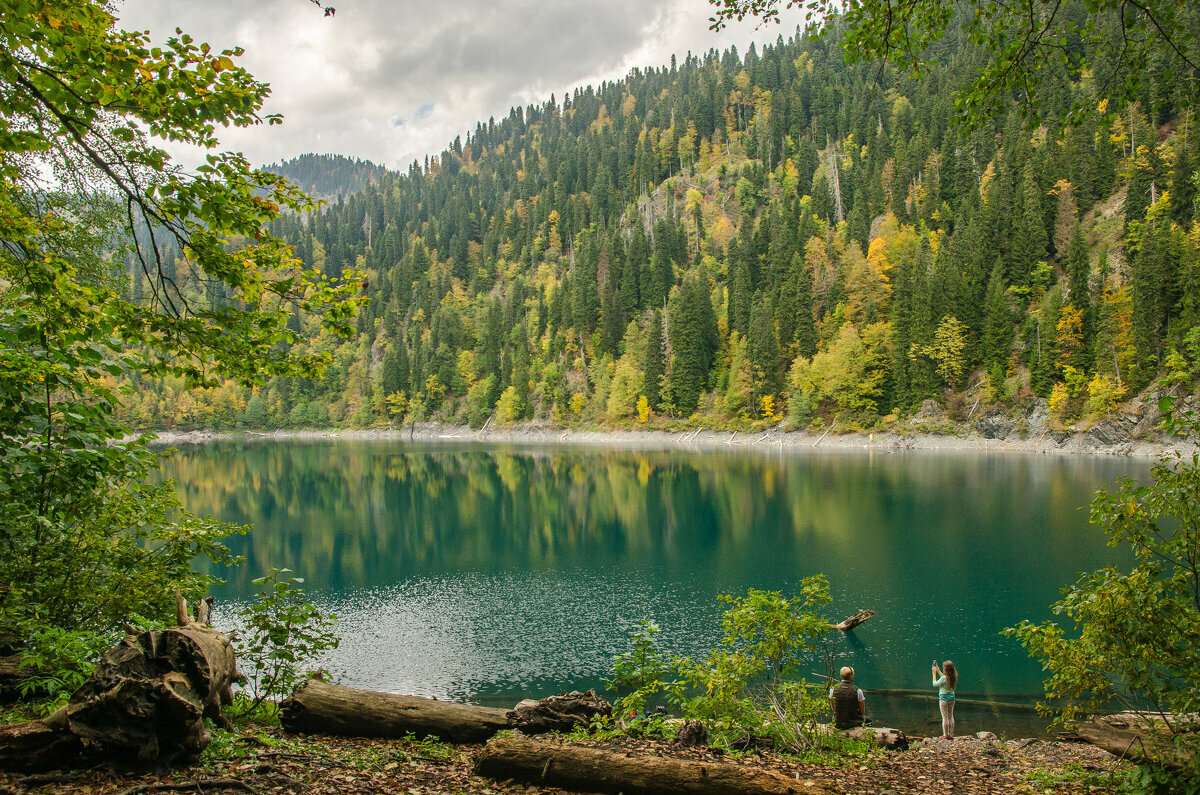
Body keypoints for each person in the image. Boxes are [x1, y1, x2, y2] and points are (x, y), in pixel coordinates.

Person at [932, 660, 957, 738]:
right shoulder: (953, 676)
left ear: (945, 669)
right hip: (952, 698)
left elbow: (935, 684)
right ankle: (951, 735)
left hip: (943, 699)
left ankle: (945, 735)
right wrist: (938, 670)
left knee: (945, 717)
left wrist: (934, 674)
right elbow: (944, 678)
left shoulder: (943, 678)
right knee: (951, 716)